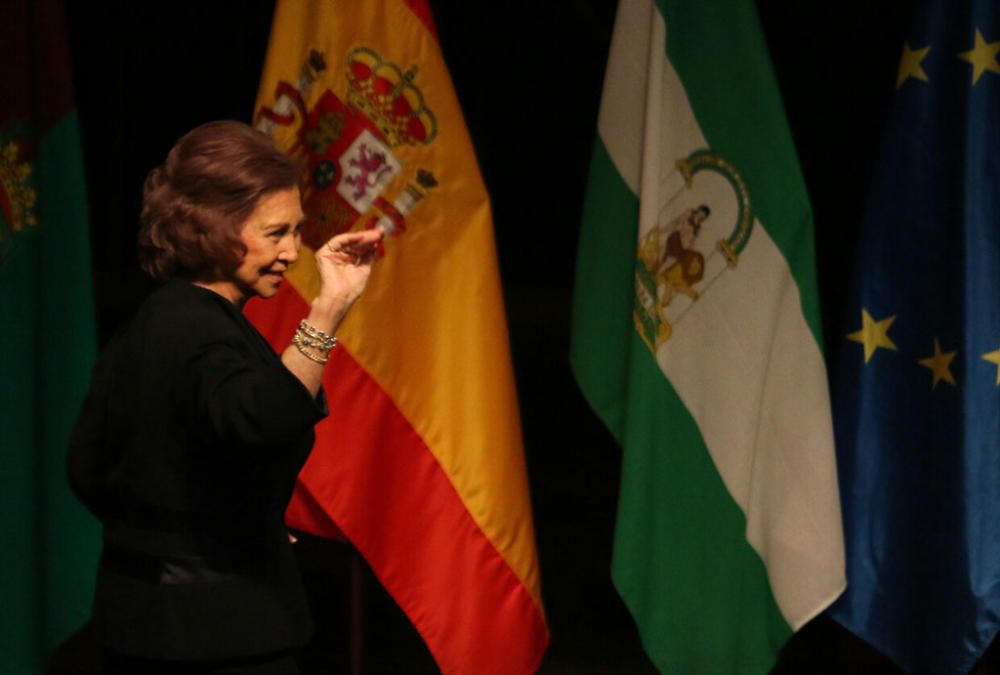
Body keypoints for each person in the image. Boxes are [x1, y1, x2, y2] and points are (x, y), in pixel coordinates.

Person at [67, 120, 383, 674]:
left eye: (297, 231)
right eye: (276, 232)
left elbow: (88, 466)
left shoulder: (157, 319)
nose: (293, 251)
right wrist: (330, 308)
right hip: (219, 639)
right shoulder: (196, 329)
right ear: (212, 227)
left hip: (141, 624)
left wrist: (222, 517)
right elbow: (268, 418)